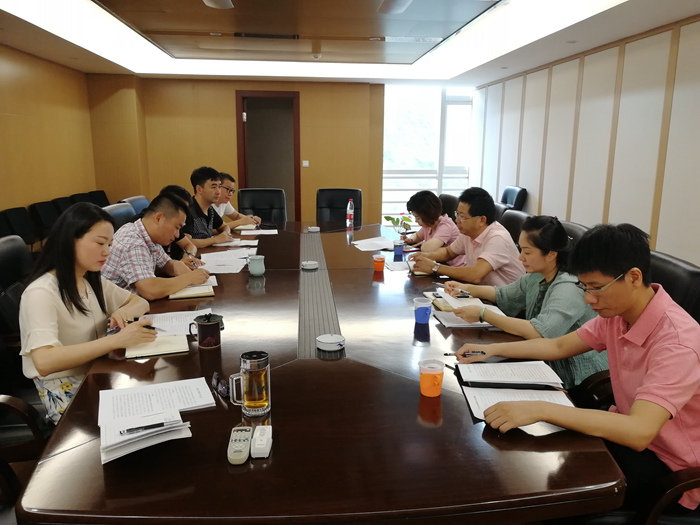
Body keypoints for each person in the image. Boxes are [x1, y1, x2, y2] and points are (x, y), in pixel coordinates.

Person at [456, 223, 700, 519]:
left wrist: (542, 408)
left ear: (634, 277)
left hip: (670, 467)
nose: (588, 299)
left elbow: (639, 431)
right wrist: (493, 350)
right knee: (535, 460)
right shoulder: (618, 315)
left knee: (550, 491)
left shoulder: (678, 342)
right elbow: (558, 346)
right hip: (625, 433)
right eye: (585, 287)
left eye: (596, 288)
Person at [19, 203, 156, 423]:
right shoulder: (41, 293)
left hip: (97, 371)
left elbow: (139, 301)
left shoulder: (89, 279)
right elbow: (44, 361)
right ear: (70, 240)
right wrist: (115, 341)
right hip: (65, 388)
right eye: (100, 243)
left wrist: (124, 311)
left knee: (152, 399)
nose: (107, 252)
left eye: (109, 244)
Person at [445, 215, 607, 389]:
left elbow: (540, 332)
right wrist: (466, 288)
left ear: (551, 254)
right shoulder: (537, 275)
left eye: (527, 252)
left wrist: (483, 314)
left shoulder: (569, 287)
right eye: (520, 249)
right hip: (542, 359)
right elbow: (504, 294)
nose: (520, 257)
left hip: (574, 377)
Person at [102, 193, 210, 300]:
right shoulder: (133, 243)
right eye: (177, 227)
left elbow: (165, 263)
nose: (177, 235)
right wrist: (188, 278)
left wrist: (175, 266)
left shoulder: (147, 233)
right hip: (118, 308)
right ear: (159, 218)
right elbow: (150, 290)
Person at [410, 187, 524, 286]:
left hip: (505, 302)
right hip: (481, 291)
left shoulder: (497, 238)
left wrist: (435, 267)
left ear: (481, 220)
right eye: (457, 214)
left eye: (463, 217)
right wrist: (425, 256)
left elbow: (476, 275)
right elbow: (448, 252)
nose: (457, 220)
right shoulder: (468, 232)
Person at [403, 191, 463, 265]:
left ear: (428, 215)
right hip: (439, 263)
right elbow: (418, 235)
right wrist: (411, 239)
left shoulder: (446, 226)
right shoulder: (429, 224)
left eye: (418, 218)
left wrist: (424, 243)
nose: (416, 221)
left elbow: (428, 249)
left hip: (452, 266)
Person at [182, 166, 234, 248]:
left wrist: (225, 234)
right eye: (213, 187)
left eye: (219, 187)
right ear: (199, 189)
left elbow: (224, 226)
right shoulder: (187, 210)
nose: (218, 192)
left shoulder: (210, 209)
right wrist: (215, 240)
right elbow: (186, 242)